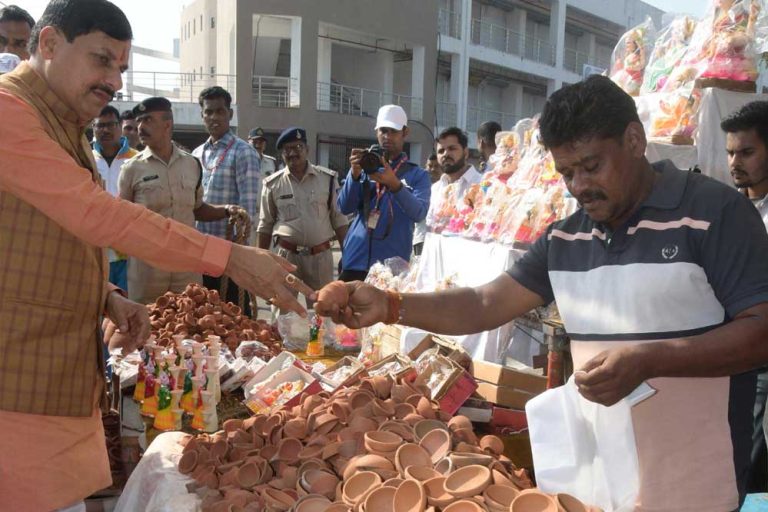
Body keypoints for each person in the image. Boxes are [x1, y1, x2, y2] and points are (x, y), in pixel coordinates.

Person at [318, 75, 768, 511]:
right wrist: (391, 305)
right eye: (566, 172)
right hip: (603, 480)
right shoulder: (566, 238)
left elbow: (761, 330)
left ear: (634, 140)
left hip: (696, 484)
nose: (579, 187)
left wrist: (650, 360)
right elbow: (484, 303)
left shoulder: (714, 213)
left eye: (592, 166)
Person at [0, 2, 312, 510]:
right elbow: (96, 215)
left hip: (54, 383)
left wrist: (105, 297)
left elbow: (31, 238)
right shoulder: (9, 113)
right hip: (16, 389)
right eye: (102, 60)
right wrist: (229, 257)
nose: (113, 82)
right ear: (50, 45)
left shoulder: (58, 121)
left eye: (120, 68)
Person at [119, 96, 245, 304]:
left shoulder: (192, 164)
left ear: (167, 124)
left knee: (190, 326)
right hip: (147, 270)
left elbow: (197, 209)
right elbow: (122, 218)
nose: (140, 127)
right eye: (139, 121)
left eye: (148, 120)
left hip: (185, 267)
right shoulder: (131, 169)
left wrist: (226, 210)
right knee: (146, 328)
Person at [721, 100, 768, 492]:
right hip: (737, 354)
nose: (736, 162)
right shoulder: (727, 210)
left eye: (747, 152)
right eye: (731, 152)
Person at [257, 127, 349, 309]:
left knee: (323, 310)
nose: (292, 153)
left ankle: (319, 339)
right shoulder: (272, 184)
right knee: (283, 310)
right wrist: (261, 262)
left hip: (320, 258)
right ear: (282, 154)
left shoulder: (327, 179)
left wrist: (348, 256)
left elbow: (339, 220)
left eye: (298, 147)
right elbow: (265, 225)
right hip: (286, 258)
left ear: (307, 149)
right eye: (287, 149)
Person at [337, 104, 431, 282]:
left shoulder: (418, 175)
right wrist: (354, 175)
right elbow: (344, 207)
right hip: (355, 261)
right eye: (383, 131)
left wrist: (395, 184)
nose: (387, 137)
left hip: (391, 267)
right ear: (376, 132)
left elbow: (419, 213)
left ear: (405, 133)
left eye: (394, 132)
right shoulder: (365, 167)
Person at [192, 85, 261, 315]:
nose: (214, 117)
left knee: (235, 322)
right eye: (208, 112)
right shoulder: (196, 154)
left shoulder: (243, 152)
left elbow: (247, 212)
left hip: (229, 256)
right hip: (200, 253)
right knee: (204, 322)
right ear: (202, 115)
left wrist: (238, 255)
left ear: (230, 114)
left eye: (220, 111)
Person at [92, 104, 139, 290]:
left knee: (129, 307)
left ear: (120, 127)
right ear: (93, 128)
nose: (105, 130)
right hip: (95, 250)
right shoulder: (84, 158)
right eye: (99, 125)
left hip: (129, 252)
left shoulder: (137, 159)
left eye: (111, 124)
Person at [428, 126, 482, 223]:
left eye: (452, 148)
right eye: (441, 151)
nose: (445, 154)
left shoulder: (482, 185)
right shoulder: (435, 189)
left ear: (465, 153)